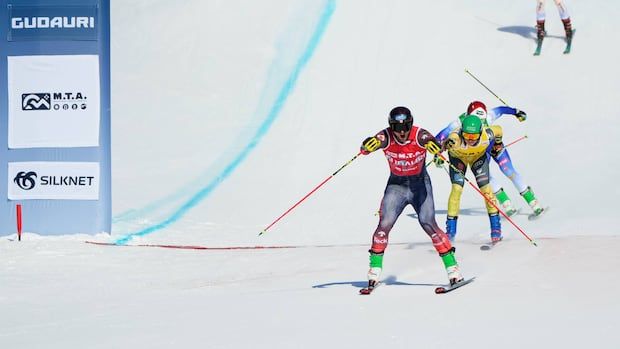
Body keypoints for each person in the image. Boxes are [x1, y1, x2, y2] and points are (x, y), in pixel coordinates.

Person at [359, 106, 464, 290]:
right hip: (396, 186)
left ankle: (454, 272)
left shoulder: (418, 135)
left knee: (428, 223)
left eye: (405, 127)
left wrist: (435, 146)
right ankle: (373, 274)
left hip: (419, 184)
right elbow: (369, 145)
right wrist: (367, 145)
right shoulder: (386, 136)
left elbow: (432, 142)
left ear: (411, 124)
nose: (401, 132)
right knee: (384, 225)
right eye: (396, 128)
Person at [435, 101, 545, 218]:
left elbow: (501, 110)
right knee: (486, 177)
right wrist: (437, 151)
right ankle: (506, 203)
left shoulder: (488, 116)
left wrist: (516, 112)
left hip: (495, 147)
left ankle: (532, 201)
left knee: (509, 171)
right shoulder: (459, 122)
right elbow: (441, 136)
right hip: (480, 151)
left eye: (482, 121)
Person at [439, 115, 504, 243]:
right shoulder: (455, 138)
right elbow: (445, 144)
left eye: (473, 136)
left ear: (480, 133)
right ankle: (450, 232)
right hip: (458, 159)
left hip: (478, 159)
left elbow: (499, 130)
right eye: (467, 135)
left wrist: (498, 144)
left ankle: (496, 228)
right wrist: (439, 155)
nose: (470, 139)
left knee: (486, 189)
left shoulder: (487, 134)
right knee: (456, 189)